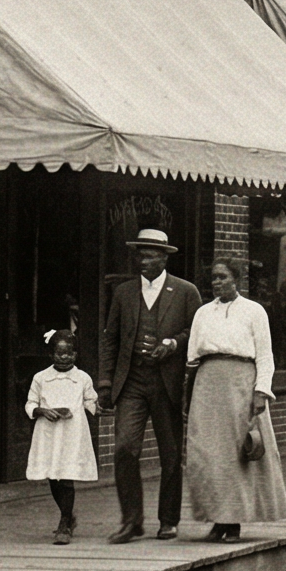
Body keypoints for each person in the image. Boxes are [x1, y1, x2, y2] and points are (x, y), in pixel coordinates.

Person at [104, 226, 200, 543]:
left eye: (149, 255)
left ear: (163, 258)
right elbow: (111, 340)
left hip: (167, 381)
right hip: (132, 379)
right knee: (124, 448)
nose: (142, 261)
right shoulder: (123, 292)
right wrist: (105, 381)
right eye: (139, 255)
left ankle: (168, 520)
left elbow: (197, 334)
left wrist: (173, 343)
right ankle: (132, 520)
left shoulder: (185, 292)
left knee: (170, 454)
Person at [182, 260, 286, 542]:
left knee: (236, 455)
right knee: (207, 453)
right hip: (208, 383)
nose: (217, 283)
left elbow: (265, 355)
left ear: (236, 280)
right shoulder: (203, 313)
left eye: (223, 277)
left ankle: (234, 520)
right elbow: (193, 356)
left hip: (241, 382)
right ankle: (216, 517)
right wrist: (190, 392)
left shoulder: (254, 312)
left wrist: (261, 391)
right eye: (213, 278)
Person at [22, 328, 97, 546]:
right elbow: (30, 403)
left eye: (69, 353)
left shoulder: (82, 378)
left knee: (66, 476)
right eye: (59, 353)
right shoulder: (41, 378)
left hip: (72, 432)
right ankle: (68, 514)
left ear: (75, 354)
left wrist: (95, 407)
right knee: (52, 475)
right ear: (51, 354)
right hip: (48, 432)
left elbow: (90, 401)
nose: (64, 357)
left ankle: (65, 522)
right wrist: (42, 411)